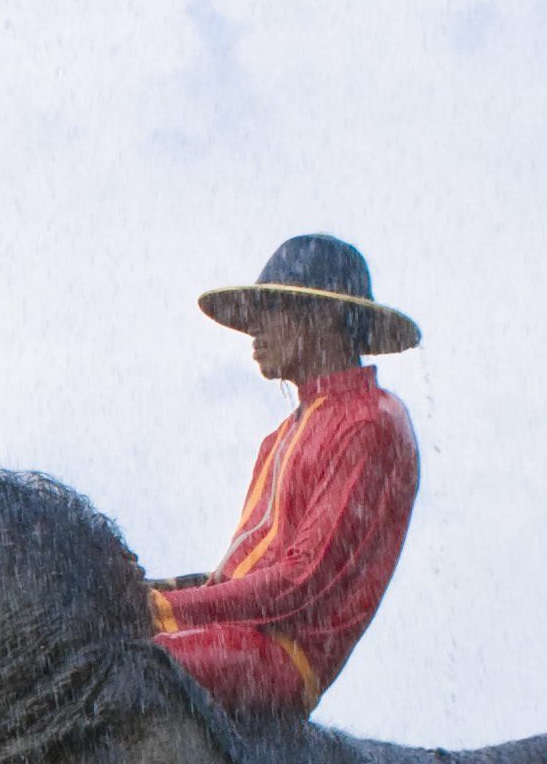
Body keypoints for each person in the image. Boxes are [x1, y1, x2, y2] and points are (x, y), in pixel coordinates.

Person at [149, 235, 424, 721]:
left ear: (322, 317)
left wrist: (166, 612)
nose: (253, 330)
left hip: (283, 655)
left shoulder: (371, 421)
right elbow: (236, 578)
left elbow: (302, 582)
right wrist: (158, 590)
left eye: (268, 311)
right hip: (236, 637)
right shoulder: (278, 438)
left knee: (126, 668)